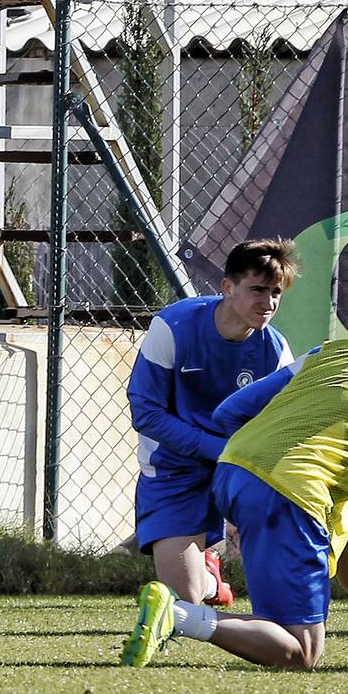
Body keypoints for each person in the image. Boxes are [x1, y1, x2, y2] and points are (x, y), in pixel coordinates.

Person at [120, 284, 348, 669]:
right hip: (290, 491)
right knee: (301, 650)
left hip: (235, 470)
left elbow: (230, 411)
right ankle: (179, 617)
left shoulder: (334, 351)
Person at [127, 239, 298, 608]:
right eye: (257, 289)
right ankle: (209, 580)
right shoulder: (173, 327)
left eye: (275, 293)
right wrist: (218, 449)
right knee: (186, 599)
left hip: (238, 469)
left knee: (291, 543)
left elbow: (281, 427)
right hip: (174, 471)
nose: (267, 303)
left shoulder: (276, 351)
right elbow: (146, 414)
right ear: (227, 287)